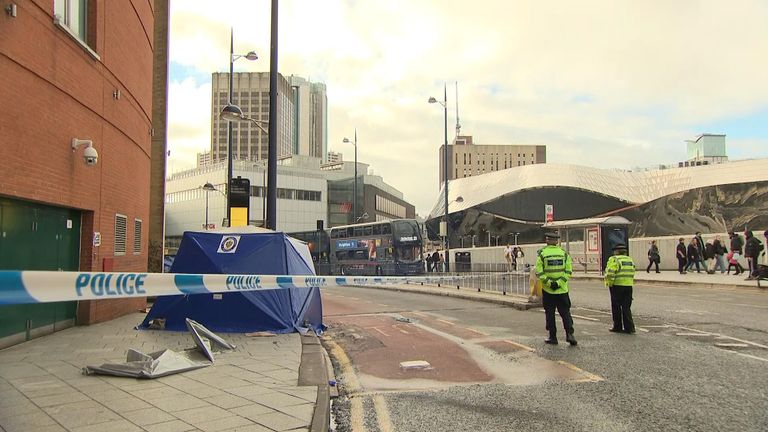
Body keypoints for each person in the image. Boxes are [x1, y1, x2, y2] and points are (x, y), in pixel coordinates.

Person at [535, 232, 576, 346]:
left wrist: (549, 283)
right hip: (562, 289)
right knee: (565, 313)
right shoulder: (564, 254)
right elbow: (568, 271)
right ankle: (570, 334)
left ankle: (553, 337)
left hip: (548, 290)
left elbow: (539, 271)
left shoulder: (542, 254)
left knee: (550, 313)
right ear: (557, 242)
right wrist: (559, 283)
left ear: (547, 240)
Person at [604, 243, 636, 334]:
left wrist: (609, 283)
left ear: (616, 251)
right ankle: (629, 328)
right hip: (628, 286)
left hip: (617, 286)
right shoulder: (630, 260)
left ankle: (617, 326)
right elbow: (633, 270)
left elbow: (610, 273)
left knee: (616, 306)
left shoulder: (614, 259)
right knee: (626, 307)